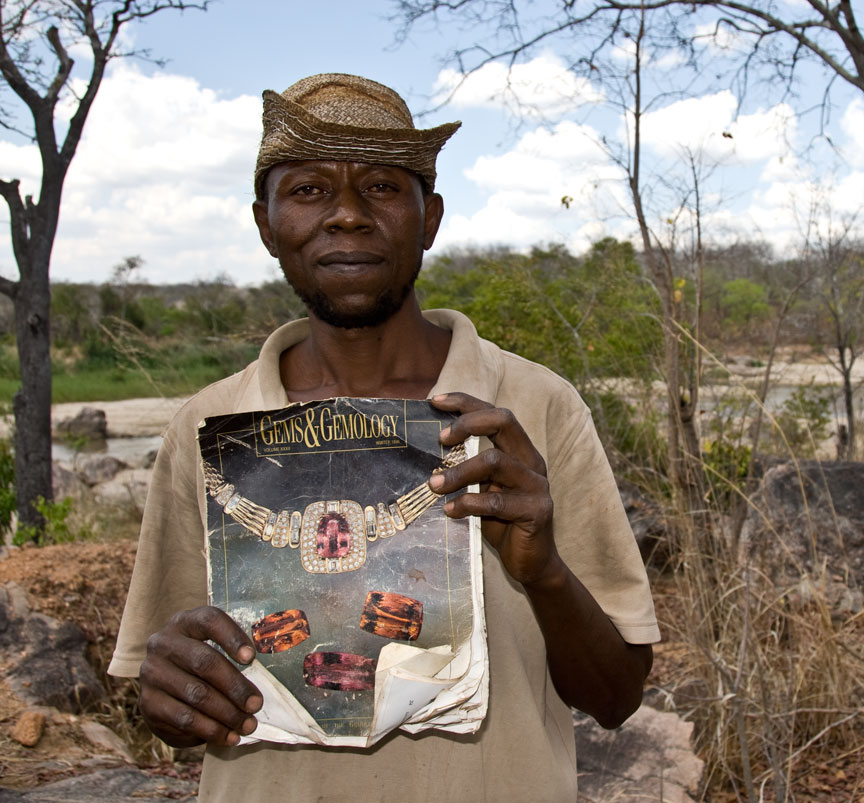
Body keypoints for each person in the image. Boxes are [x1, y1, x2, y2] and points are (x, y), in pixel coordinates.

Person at [109, 73, 660, 802]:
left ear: (428, 217)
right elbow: (179, 691)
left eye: (380, 187)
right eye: (308, 189)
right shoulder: (210, 435)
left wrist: (546, 571)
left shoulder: (535, 408)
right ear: (265, 223)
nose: (346, 216)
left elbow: (616, 695)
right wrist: (172, 693)